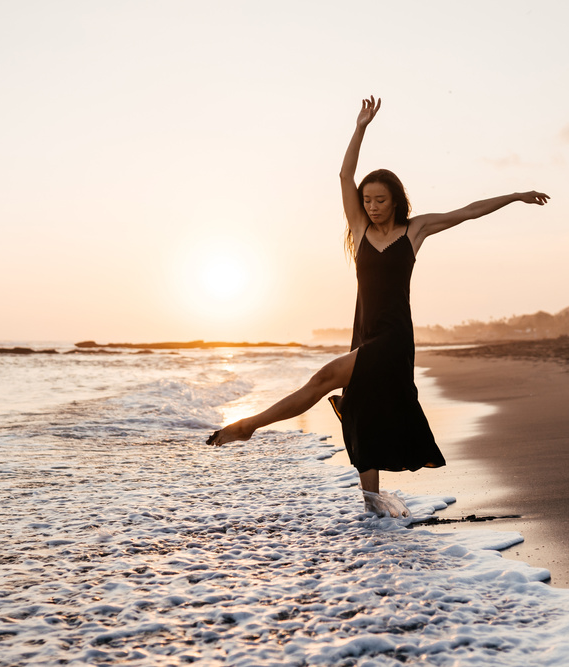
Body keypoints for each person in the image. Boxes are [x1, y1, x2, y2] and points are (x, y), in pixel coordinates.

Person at [207, 96, 549, 516]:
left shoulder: (414, 230)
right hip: (366, 332)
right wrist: (361, 127)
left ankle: (248, 426)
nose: (371, 205)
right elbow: (344, 173)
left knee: (323, 378)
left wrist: (516, 195)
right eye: (367, 199)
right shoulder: (359, 229)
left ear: (395, 200)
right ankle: (371, 505)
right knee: (362, 411)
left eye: (379, 200)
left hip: (393, 339)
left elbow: (469, 211)